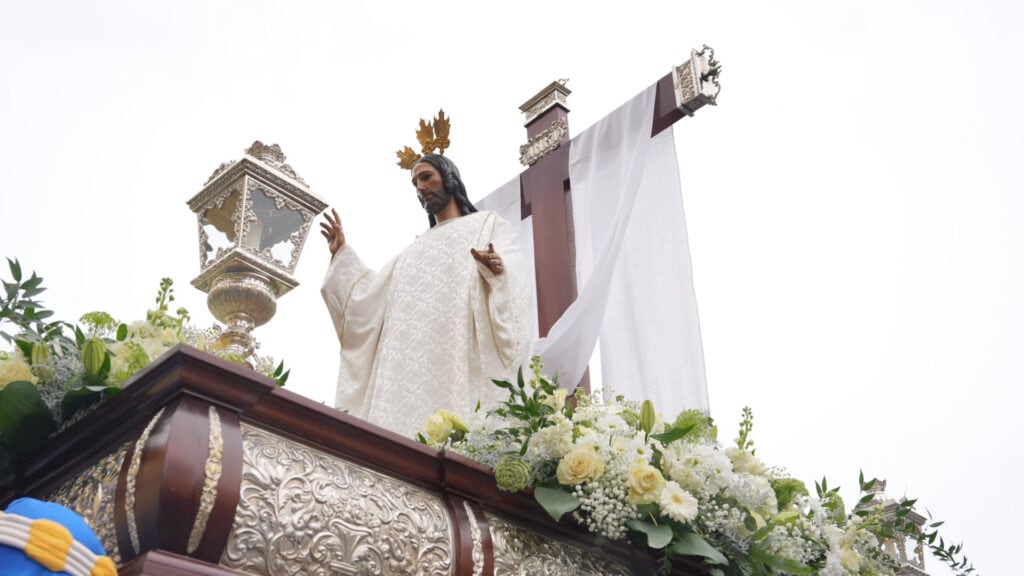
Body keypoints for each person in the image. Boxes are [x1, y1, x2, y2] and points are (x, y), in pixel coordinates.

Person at [320, 154, 532, 436]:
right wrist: (342, 256)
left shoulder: (485, 225)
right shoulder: (411, 253)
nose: (420, 187)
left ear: (449, 178)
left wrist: (498, 269)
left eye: (426, 177)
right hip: (407, 369)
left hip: (458, 348)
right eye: (415, 183)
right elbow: (367, 301)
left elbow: (511, 267)